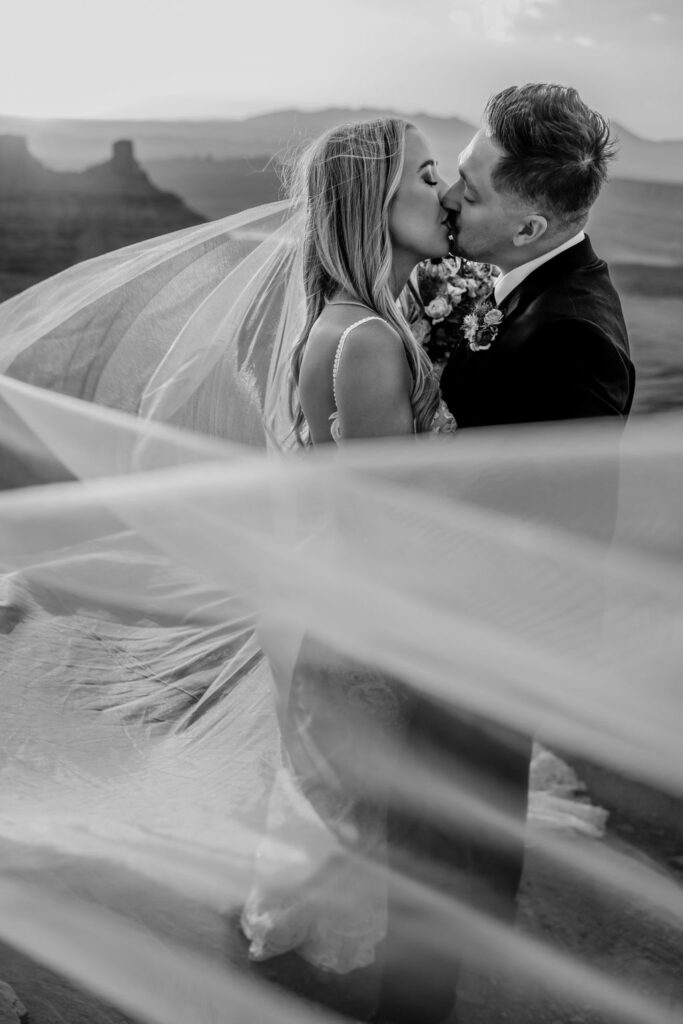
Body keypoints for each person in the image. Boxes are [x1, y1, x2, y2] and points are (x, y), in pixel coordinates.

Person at [239, 116, 461, 1022]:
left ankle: (299, 963)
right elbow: (389, 525)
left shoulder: (347, 320)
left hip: (324, 599)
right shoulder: (368, 339)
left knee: (333, 810)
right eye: (426, 176)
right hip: (360, 618)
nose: (446, 193)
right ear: (374, 203)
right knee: (352, 822)